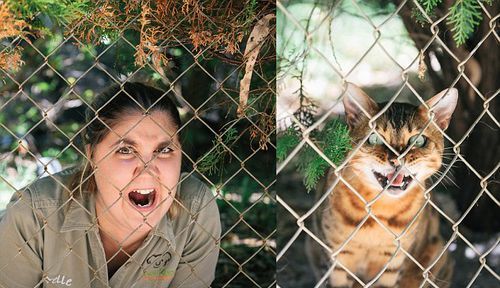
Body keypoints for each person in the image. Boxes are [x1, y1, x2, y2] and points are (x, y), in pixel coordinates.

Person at [0, 82, 221, 287]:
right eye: (125, 150)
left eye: (163, 150)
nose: (147, 169)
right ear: (92, 156)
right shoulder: (33, 215)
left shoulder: (195, 211)